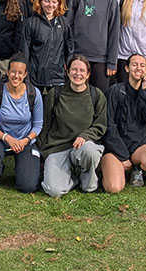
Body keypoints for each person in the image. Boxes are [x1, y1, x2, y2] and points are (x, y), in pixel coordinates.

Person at [40, 56, 108, 197]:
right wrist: (43, 150)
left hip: (82, 146)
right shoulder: (55, 94)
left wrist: (85, 136)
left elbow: (100, 125)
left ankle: (87, 183)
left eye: (82, 70)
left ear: (88, 74)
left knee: (90, 152)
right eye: (74, 70)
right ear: (67, 71)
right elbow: (45, 123)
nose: (78, 74)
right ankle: (72, 179)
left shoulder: (96, 95)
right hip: (58, 147)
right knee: (54, 191)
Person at [99, 53, 146, 192]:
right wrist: (122, 155)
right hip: (115, 149)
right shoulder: (115, 91)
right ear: (127, 68)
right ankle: (109, 169)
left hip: (138, 147)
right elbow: (108, 125)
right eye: (134, 64)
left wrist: (145, 90)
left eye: (142, 65)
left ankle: (137, 168)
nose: (138, 68)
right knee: (114, 187)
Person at [0, 58, 43, 192]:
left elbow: (38, 125)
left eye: (20, 73)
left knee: (28, 186)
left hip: (25, 141)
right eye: (13, 71)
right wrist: (8, 138)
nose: (16, 76)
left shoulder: (34, 93)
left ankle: (23, 167)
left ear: (25, 74)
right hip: (1, 139)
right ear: (8, 72)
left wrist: (25, 140)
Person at [69, 0, 120, 93]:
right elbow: (68, 28)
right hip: (79, 56)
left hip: (100, 59)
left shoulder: (110, 0)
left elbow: (114, 31)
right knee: (78, 95)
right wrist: (69, 56)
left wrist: (112, 61)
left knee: (100, 97)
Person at [19, 0, 72, 93]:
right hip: (36, 75)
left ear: (59, 3)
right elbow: (24, 50)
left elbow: (69, 46)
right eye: (47, 1)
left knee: (55, 106)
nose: (50, 5)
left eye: (54, 2)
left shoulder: (63, 23)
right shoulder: (31, 23)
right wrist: (26, 73)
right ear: (40, 1)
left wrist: (68, 65)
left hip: (57, 75)